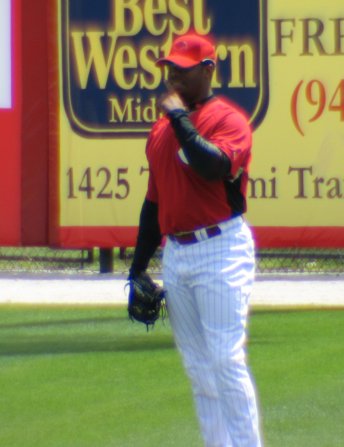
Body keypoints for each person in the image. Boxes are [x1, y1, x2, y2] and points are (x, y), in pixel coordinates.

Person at [129, 32, 263, 447]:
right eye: (170, 70)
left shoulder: (227, 120)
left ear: (208, 71)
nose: (173, 78)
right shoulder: (161, 132)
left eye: (183, 71)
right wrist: (136, 269)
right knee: (199, 369)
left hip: (221, 248)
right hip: (178, 253)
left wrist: (178, 118)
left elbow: (213, 166)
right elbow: (155, 204)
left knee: (225, 358)